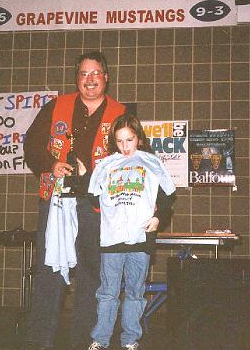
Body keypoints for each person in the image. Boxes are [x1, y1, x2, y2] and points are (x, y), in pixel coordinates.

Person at [23, 51, 126, 350]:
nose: (89, 79)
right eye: (83, 73)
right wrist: (49, 163)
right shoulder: (57, 106)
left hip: (95, 206)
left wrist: (93, 174)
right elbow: (31, 144)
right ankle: (38, 342)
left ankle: (85, 342)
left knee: (91, 273)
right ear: (76, 78)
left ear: (106, 78)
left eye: (96, 73)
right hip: (55, 200)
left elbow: (128, 160)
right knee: (48, 270)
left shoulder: (121, 113)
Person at [85, 114, 177, 350]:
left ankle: (130, 340)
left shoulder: (151, 162)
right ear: (113, 141)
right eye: (119, 141)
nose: (125, 146)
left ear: (139, 138)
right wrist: (86, 174)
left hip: (140, 239)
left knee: (136, 293)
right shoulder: (106, 165)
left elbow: (168, 199)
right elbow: (93, 198)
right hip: (112, 240)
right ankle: (100, 340)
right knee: (107, 293)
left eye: (129, 140)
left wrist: (158, 218)